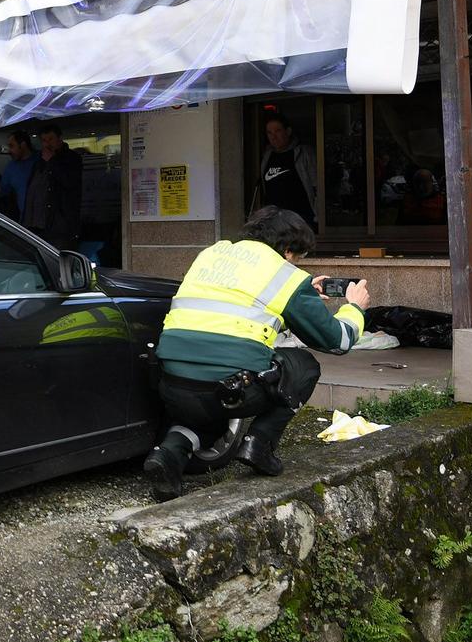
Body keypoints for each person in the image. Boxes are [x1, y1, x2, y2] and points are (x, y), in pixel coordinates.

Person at [143, 206, 368, 501]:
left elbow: (239, 310)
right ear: (288, 250)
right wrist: (355, 307)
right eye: (298, 258)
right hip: (229, 388)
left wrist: (299, 295)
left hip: (171, 382)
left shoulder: (213, 254)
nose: (298, 264)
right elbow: (337, 340)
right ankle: (259, 444)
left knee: (204, 410)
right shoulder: (285, 275)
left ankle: (168, 456)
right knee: (304, 367)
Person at [23, 124, 84, 248]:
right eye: (44, 140)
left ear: (59, 138)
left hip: (60, 226)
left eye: (50, 139)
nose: (47, 144)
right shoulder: (39, 161)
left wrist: (52, 161)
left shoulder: (71, 158)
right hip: (38, 225)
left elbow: (69, 182)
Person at [257, 115, 319, 230]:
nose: (273, 137)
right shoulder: (267, 155)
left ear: (288, 131)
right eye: (269, 133)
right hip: (274, 221)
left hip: (301, 220)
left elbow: (317, 186)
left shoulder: (303, 153)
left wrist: (317, 215)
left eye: (278, 131)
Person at [0, 130, 35, 218]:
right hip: (24, 220)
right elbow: (3, 191)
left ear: (23, 145)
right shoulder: (11, 167)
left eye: (12, 146)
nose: (9, 150)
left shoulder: (41, 160)